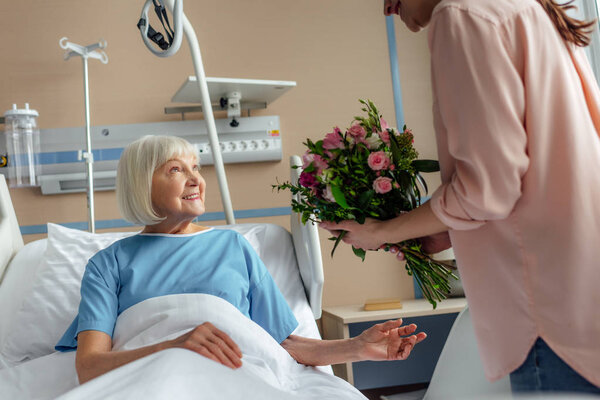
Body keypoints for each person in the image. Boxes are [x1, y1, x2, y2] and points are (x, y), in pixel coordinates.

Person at [320, 0, 600, 394]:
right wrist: (448, 229)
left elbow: (487, 191)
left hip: (547, 300)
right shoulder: (528, 10)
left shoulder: (462, 16)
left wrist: (384, 231)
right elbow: (540, 169)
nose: (385, 8)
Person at [55, 135, 427, 384]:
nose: (195, 179)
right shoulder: (108, 264)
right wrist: (173, 346)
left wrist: (358, 348)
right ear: (141, 184)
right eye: (175, 169)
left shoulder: (233, 248)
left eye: (196, 168)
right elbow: (89, 368)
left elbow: (285, 345)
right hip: (154, 382)